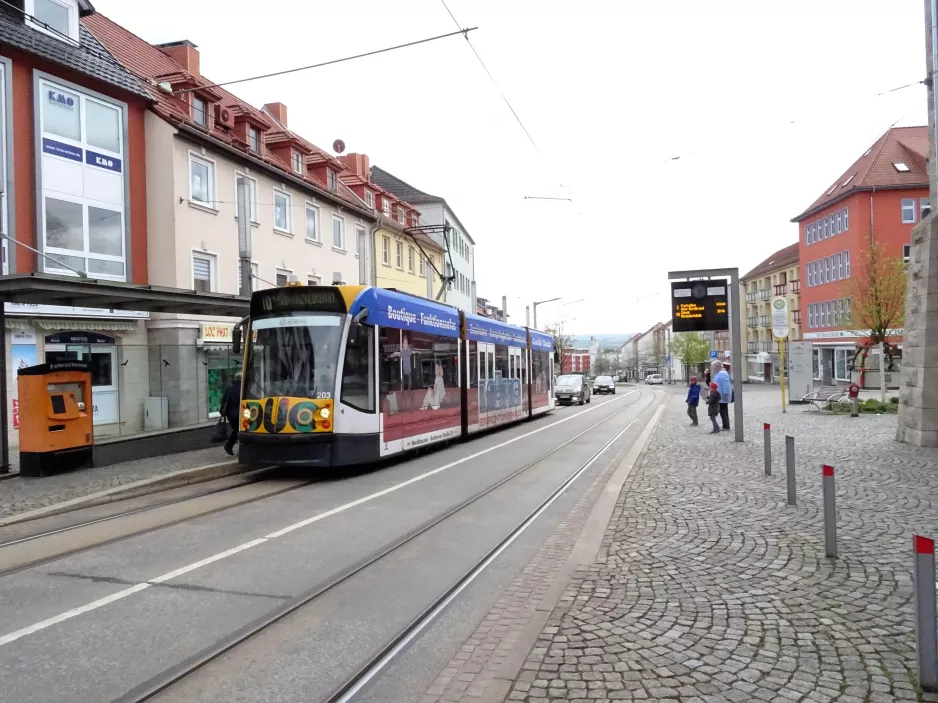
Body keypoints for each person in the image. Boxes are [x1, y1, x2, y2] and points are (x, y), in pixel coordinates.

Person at [220, 373, 242, 455]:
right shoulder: (242, 388)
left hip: (230, 414)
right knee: (239, 430)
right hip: (238, 413)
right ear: (241, 378)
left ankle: (232, 447)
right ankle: (229, 446)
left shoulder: (229, 387)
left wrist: (222, 409)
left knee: (237, 430)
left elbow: (223, 399)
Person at [712, 360, 731, 431]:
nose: (713, 368)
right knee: (724, 410)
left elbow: (725, 384)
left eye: (714, 366)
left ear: (718, 366)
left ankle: (726, 426)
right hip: (720, 395)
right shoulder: (720, 373)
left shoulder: (722, 373)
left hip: (722, 395)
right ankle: (726, 425)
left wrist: (725, 394)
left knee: (723, 411)